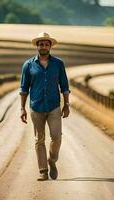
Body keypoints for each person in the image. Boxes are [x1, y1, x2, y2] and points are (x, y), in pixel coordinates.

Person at [19, 32, 71, 181]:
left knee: (57, 138)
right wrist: (22, 108)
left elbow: (65, 86)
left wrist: (66, 104)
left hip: (54, 106)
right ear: (37, 46)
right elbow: (23, 89)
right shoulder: (28, 65)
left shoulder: (58, 64)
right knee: (39, 140)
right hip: (36, 107)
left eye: (46, 44)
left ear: (50, 46)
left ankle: (52, 160)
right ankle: (43, 171)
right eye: (41, 44)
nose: (43, 46)